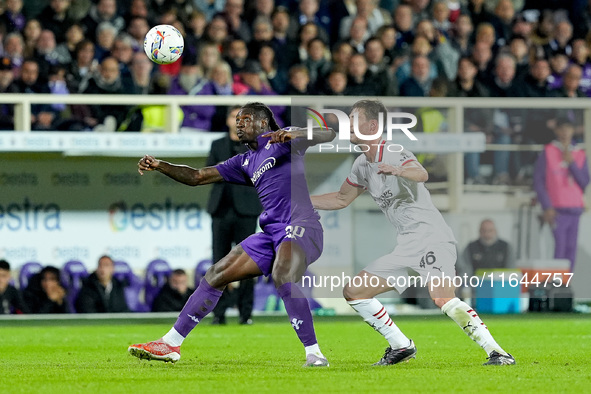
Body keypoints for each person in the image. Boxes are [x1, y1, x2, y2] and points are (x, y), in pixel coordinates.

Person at [129, 102, 336, 367]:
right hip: (272, 232)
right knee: (216, 274)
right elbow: (197, 176)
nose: (239, 124)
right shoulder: (244, 160)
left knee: (282, 274)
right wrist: (160, 165)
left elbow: (326, 134)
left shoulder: (283, 140)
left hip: (302, 225)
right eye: (237, 120)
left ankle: (315, 354)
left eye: (245, 119)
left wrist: (296, 134)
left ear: (263, 122)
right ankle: (170, 343)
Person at [311, 99, 515, 366]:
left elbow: (421, 174)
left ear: (372, 126)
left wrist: (397, 170)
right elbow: (340, 199)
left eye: (353, 119)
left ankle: (498, 353)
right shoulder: (361, 164)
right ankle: (401, 345)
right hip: (406, 247)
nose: (347, 125)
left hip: (431, 238)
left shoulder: (394, 151)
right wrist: (302, 201)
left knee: (443, 298)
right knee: (354, 291)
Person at [207, 106, 263, 325]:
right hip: (220, 209)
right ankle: (218, 314)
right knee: (218, 264)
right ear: (228, 120)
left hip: (246, 210)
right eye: (234, 116)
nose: (238, 120)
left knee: (247, 263)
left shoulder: (256, 145)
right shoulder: (217, 145)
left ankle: (245, 313)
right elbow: (208, 172)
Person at [533, 118, 590, 273]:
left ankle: (566, 287)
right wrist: (547, 206)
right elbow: (539, 181)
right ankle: (556, 285)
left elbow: (585, 182)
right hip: (556, 209)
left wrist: (571, 164)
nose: (565, 132)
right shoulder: (548, 151)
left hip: (575, 208)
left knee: (571, 249)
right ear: (556, 131)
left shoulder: (579, 153)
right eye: (562, 129)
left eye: (568, 129)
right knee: (558, 248)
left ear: (573, 131)